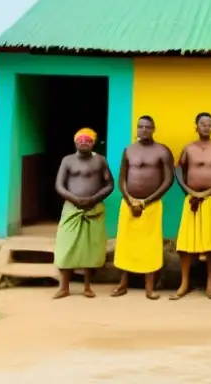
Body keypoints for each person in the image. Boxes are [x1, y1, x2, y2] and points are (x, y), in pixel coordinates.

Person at [111, 115, 174, 299]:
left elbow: (168, 180)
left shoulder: (162, 151)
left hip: (151, 205)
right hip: (129, 204)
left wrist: (146, 202)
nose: (144, 130)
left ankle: (149, 287)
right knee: (125, 244)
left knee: (150, 246)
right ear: (136, 129)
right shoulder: (129, 150)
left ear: (154, 129)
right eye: (140, 127)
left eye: (147, 127)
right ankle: (123, 283)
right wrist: (130, 201)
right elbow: (122, 178)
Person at [172, 112, 211, 300]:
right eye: (203, 124)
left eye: (210, 124)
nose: (206, 127)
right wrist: (191, 191)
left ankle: (210, 285)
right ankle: (184, 283)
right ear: (196, 126)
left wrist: (207, 192)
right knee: (186, 244)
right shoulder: (188, 148)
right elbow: (179, 171)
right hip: (192, 200)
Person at [53, 128, 114, 299]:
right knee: (65, 246)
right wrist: (74, 199)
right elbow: (59, 185)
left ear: (93, 143)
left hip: (94, 208)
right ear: (74, 142)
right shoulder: (67, 160)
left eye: (88, 140)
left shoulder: (100, 161)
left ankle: (87, 287)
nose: (83, 142)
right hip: (72, 208)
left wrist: (93, 199)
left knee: (90, 248)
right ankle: (64, 287)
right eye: (80, 139)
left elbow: (109, 184)